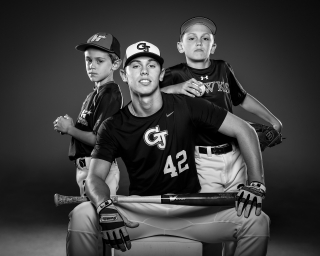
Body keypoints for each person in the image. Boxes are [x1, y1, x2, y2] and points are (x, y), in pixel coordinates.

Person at [66, 41, 270, 256]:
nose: (144, 71)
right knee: (82, 214)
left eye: (151, 65)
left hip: (191, 211)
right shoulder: (114, 125)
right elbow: (95, 177)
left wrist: (256, 183)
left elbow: (244, 130)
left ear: (161, 74)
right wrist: (104, 206)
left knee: (256, 220)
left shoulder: (187, 105)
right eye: (136, 66)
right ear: (124, 75)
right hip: (142, 211)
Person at [159, 17, 282, 255]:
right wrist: (174, 89)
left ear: (212, 47)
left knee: (240, 215)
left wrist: (273, 120)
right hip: (200, 159)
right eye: (191, 38)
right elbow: (147, 97)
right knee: (210, 222)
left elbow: (242, 97)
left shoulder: (223, 68)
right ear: (180, 46)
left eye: (206, 39)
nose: (199, 42)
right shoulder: (174, 74)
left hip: (236, 154)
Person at [53, 32, 123, 197]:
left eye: (100, 61)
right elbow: (89, 128)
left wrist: (70, 129)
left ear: (115, 64)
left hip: (99, 168)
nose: (92, 65)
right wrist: (73, 125)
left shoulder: (110, 94)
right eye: (88, 60)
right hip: (86, 167)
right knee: (93, 218)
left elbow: (99, 139)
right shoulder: (93, 94)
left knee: (101, 216)